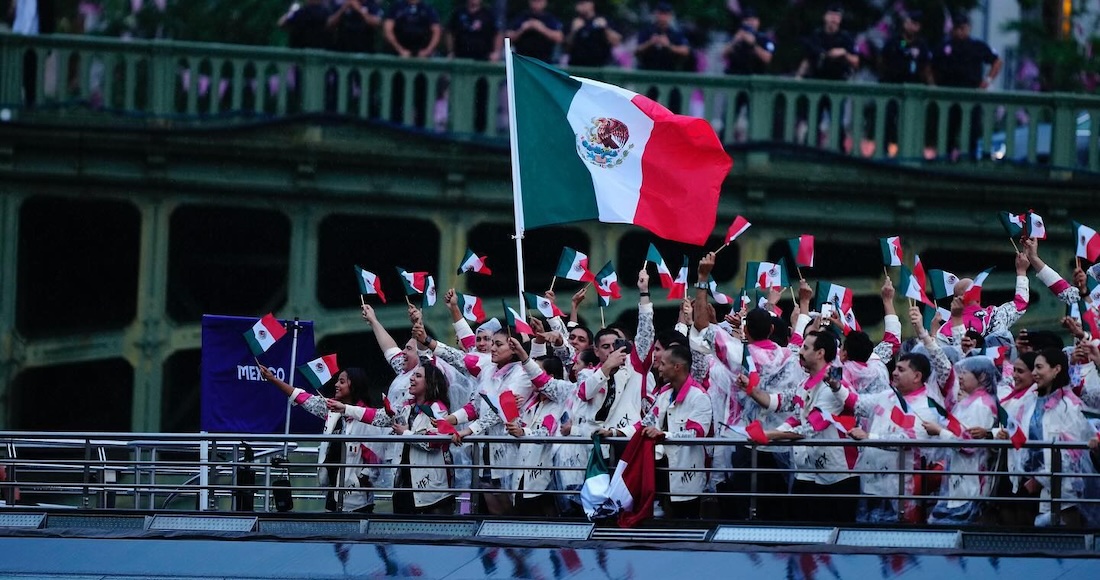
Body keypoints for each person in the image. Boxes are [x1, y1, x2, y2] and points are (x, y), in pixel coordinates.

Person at [745, 330, 860, 523]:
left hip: (840, 475)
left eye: (805, 348)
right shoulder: (806, 383)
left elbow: (811, 428)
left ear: (820, 353)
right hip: (813, 471)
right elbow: (781, 405)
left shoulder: (834, 384)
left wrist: (770, 435)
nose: (800, 352)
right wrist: (751, 390)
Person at [332, 364, 457, 514]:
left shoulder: (439, 409)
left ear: (430, 382)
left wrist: (406, 434)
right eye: (413, 375)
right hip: (404, 486)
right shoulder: (406, 407)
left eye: (418, 376)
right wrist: (346, 408)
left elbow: (434, 442)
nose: (411, 378)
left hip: (433, 493)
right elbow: (376, 416)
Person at [258, 364, 383, 513]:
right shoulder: (331, 409)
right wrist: (273, 379)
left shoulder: (367, 418)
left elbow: (376, 460)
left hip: (357, 502)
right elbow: (303, 398)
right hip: (332, 494)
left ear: (355, 386)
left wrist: (359, 482)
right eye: (337, 381)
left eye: (342, 382)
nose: (336, 385)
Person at [840, 352, 933, 523]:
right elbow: (857, 403)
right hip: (869, 485)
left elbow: (908, 440)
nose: (894, 373)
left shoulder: (926, 407)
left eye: (901, 370)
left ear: (917, 376)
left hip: (898, 492)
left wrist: (869, 437)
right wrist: (835, 386)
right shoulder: (887, 396)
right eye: (895, 368)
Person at [1009, 348, 1097, 526]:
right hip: (1033, 488)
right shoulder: (1030, 401)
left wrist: (1041, 479)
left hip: (1065, 494)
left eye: (1039, 367)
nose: (1034, 373)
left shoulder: (1070, 406)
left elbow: (1072, 454)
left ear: (1056, 369)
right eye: (1033, 368)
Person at [639, 344, 713, 519]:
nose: (659, 368)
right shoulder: (664, 393)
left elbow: (696, 434)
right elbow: (646, 423)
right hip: (661, 472)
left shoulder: (699, 397)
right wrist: (615, 433)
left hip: (687, 476)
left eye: (663, 364)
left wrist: (664, 435)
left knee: (687, 523)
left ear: (677, 367)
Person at [923, 356, 999, 524]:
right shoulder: (970, 402)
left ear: (982, 377)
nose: (961, 377)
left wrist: (939, 431)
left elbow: (968, 445)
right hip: (959, 476)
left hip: (970, 481)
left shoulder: (981, 405)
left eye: (965, 373)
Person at [931, 12, 1002, 159]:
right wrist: (934, 85)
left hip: (971, 94)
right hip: (949, 94)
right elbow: (930, 66)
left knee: (971, 131)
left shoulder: (977, 46)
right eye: (957, 28)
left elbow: (997, 61)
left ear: (968, 28)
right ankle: (945, 158)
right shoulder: (945, 46)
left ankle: (970, 158)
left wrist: (987, 81)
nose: (960, 32)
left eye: (963, 28)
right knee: (947, 130)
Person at [794, 4, 857, 149]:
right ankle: (810, 151)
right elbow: (808, 59)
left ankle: (839, 152)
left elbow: (856, 61)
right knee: (813, 120)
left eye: (837, 16)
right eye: (831, 15)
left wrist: (843, 53)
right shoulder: (817, 36)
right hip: (817, 84)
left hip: (837, 85)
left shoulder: (845, 37)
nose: (834, 19)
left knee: (837, 122)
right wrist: (798, 76)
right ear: (825, 17)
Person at [879, 10, 932, 157]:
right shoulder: (894, 42)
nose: (912, 27)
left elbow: (926, 67)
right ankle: (885, 150)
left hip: (913, 88)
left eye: (916, 24)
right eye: (910, 23)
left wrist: (930, 84)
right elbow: (882, 61)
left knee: (911, 122)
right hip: (892, 87)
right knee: (889, 120)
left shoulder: (921, 45)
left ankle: (909, 151)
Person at [634, 3, 690, 73]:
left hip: (669, 71)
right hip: (647, 71)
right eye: (660, 14)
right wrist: (650, 42)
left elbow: (685, 51)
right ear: (656, 14)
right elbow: (636, 50)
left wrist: (668, 45)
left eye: (665, 14)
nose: (663, 17)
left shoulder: (676, 32)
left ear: (670, 16)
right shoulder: (647, 30)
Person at [565, 0, 620, 68]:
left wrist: (605, 29)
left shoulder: (604, 20)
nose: (578, 7)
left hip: (600, 66)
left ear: (591, 4)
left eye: (582, 3)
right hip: (577, 66)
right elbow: (566, 48)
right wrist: (574, 31)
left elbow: (616, 42)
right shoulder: (573, 22)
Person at [506, 0, 563, 64]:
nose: (537, 3)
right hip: (522, 60)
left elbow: (559, 38)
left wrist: (541, 28)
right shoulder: (521, 17)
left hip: (544, 61)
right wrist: (522, 29)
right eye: (534, 1)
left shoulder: (550, 18)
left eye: (539, 1)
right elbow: (508, 37)